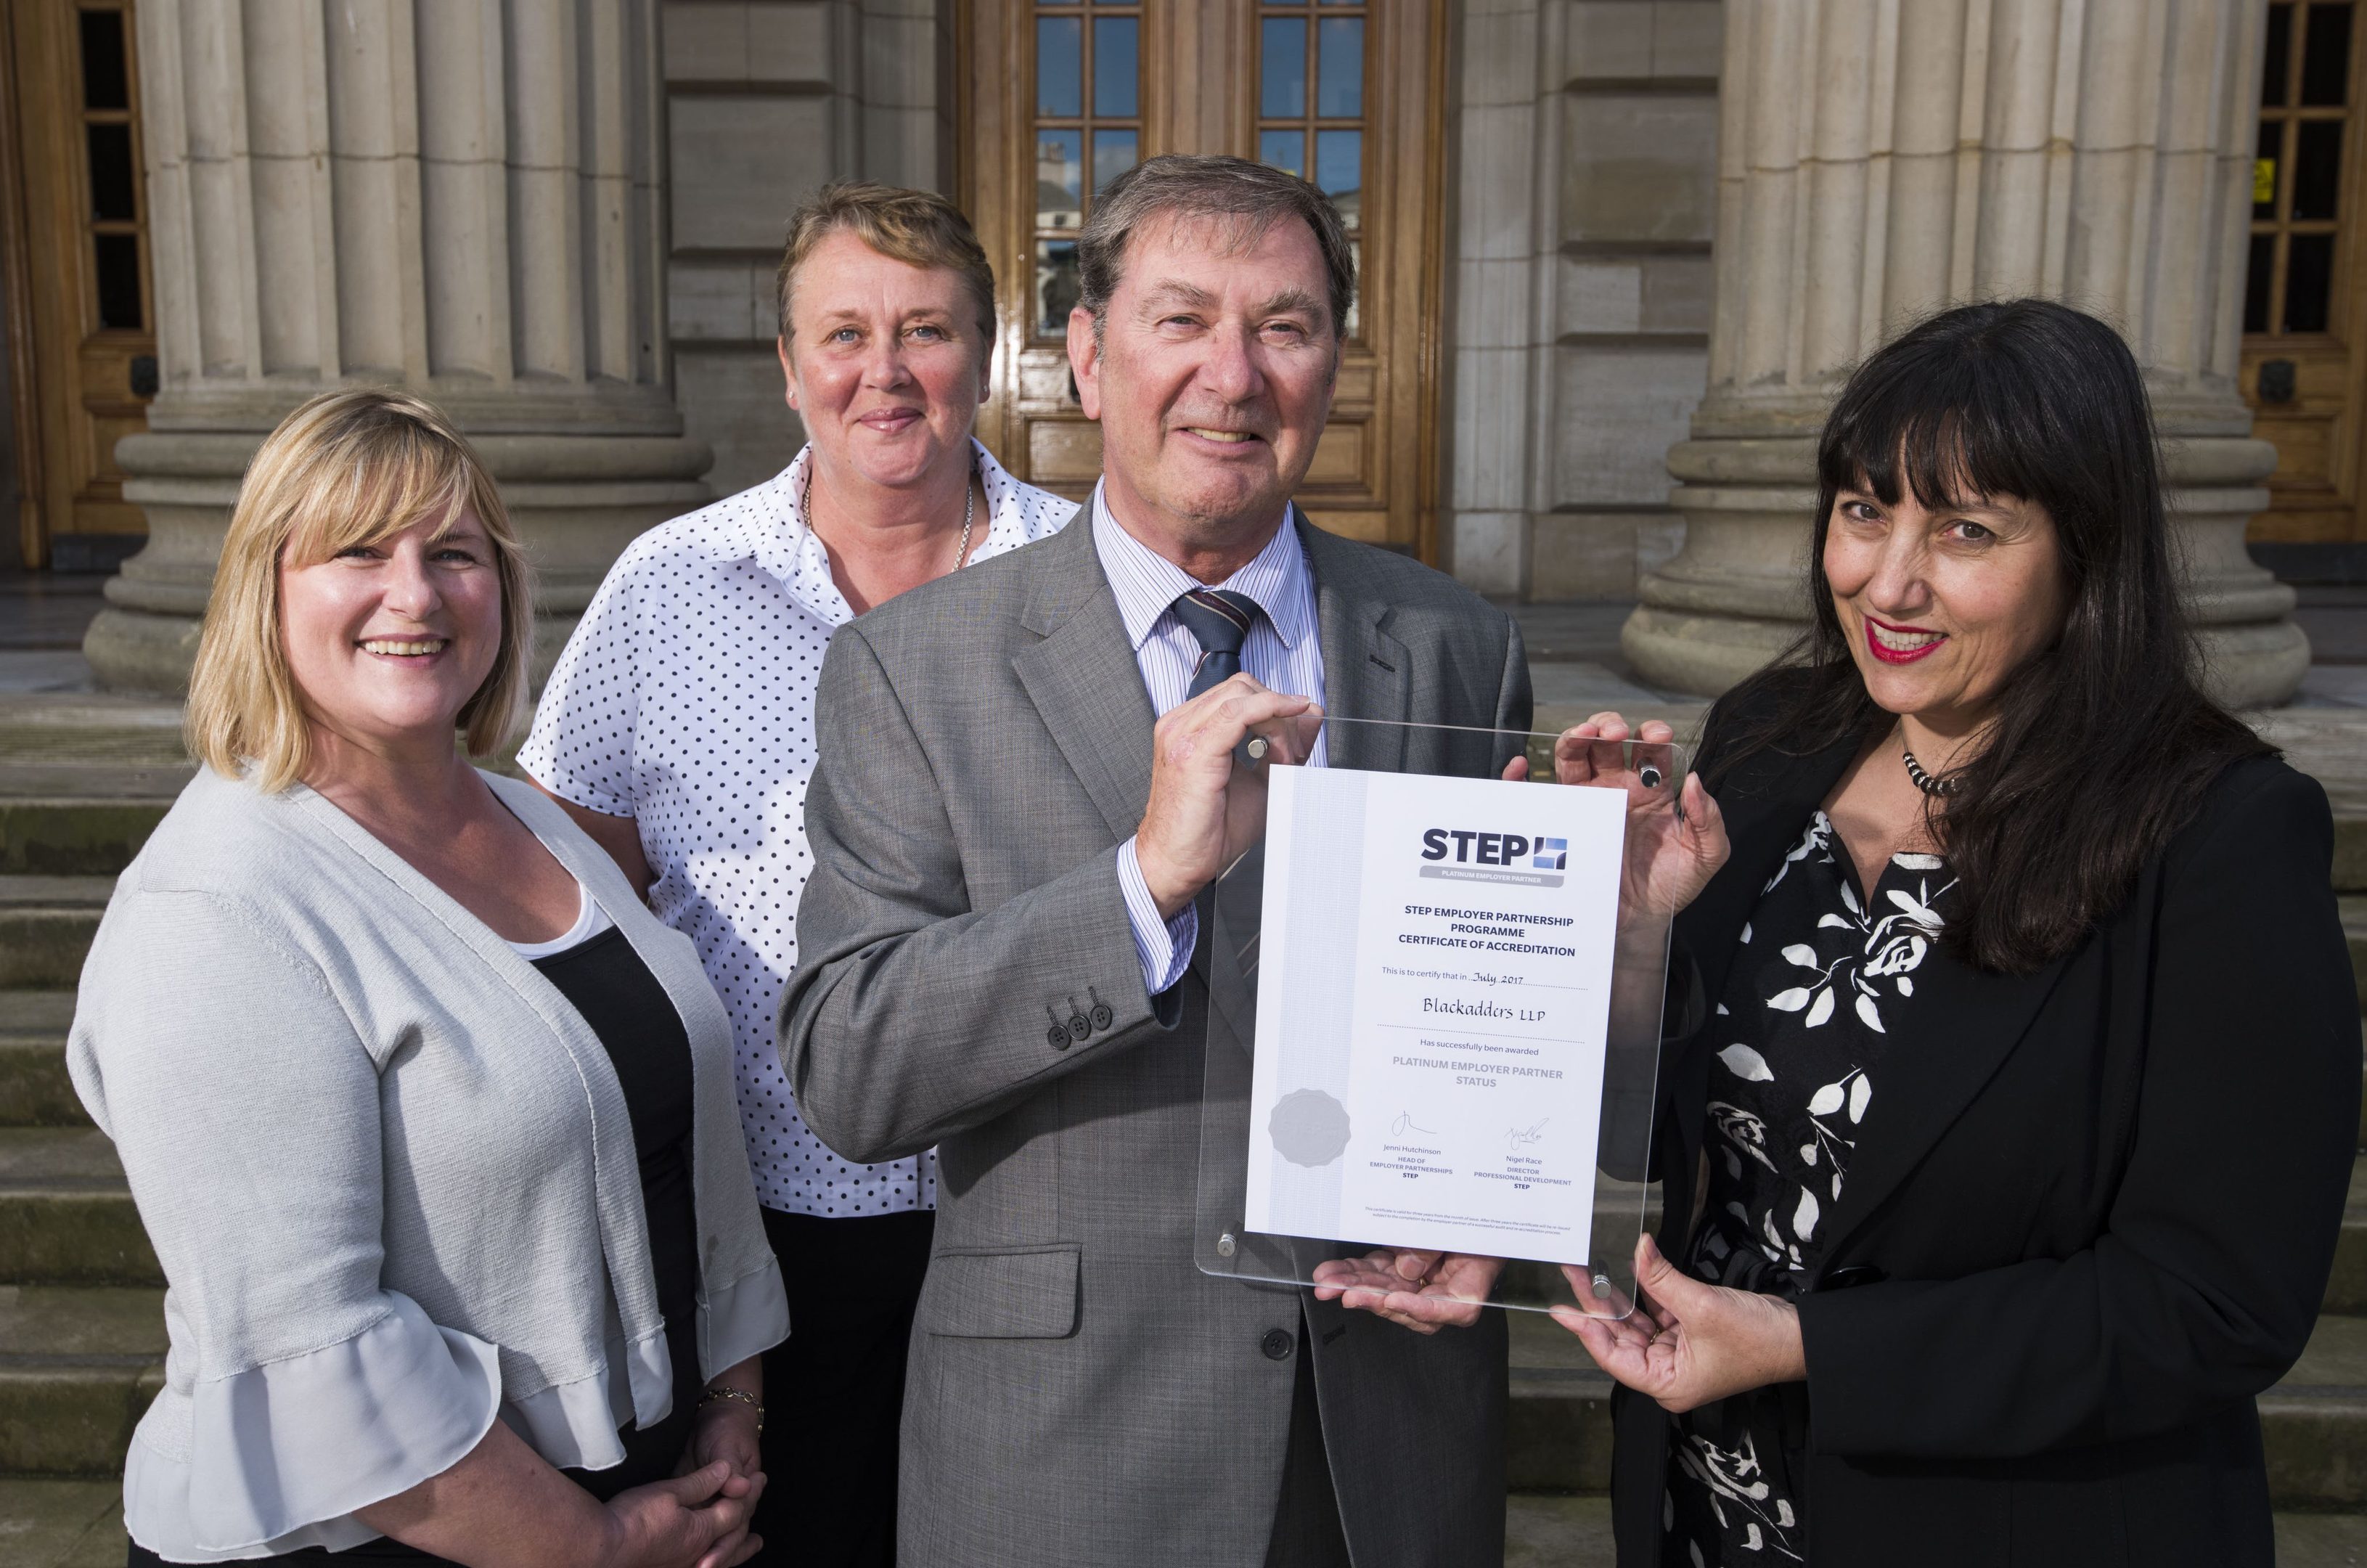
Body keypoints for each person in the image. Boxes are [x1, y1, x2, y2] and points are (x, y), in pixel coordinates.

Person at [780, 154, 1529, 1568]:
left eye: (1285, 327)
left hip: (1378, 1444)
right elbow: (851, 1068)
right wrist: (1140, 889)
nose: (1232, 376)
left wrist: (1608, 945)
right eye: (1181, 321)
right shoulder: (913, 665)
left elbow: (1483, 1040)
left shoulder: (1449, 646)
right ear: (1083, 355)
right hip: (1068, 1457)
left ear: (1334, 361)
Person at [1548, 301, 2359, 1567]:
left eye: (1965, 530)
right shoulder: (1774, 737)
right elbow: (1666, 1138)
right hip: (1712, 1496)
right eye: (1864, 511)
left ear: (2085, 554)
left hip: (2018, 1520)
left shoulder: (2220, 836)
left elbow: (2212, 1305)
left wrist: (1801, 1347)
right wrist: (1633, 939)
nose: (1889, 581)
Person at [68, 388, 790, 1567]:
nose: (414, 594)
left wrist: (730, 1413)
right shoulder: (214, 910)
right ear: (267, 590)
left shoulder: (536, 825)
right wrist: (592, 1549)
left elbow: (688, 1138)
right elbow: (311, 1345)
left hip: (642, 1483)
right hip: (392, 1533)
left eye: (451, 553)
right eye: (357, 551)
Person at [518, 181, 1071, 1566]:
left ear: (985, 358)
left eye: (925, 332)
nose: (882, 372)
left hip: (1032, 1202)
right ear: (787, 366)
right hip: (759, 1227)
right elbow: (562, 894)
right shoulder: (670, 582)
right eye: (843, 334)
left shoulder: (1090, 576)